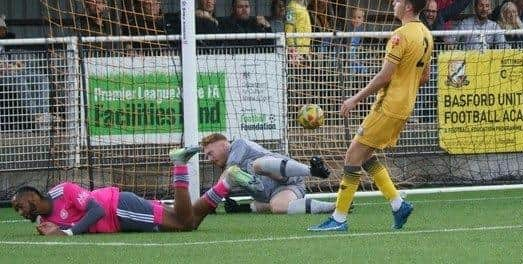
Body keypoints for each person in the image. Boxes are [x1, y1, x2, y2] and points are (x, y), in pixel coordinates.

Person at [309, 0, 433, 232]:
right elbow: (425, 77)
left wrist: (354, 98)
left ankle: (339, 219)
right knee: (365, 156)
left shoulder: (400, 35)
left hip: (389, 106)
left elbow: (385, 76)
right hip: (405, 106)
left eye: (397, 0)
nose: (393, 3)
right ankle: (398, 204)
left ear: (408, 7)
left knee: (352, 155)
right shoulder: (426, 34)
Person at [11, 147, 201, 235]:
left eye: (20, 206)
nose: (21, 212)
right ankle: (221, 187)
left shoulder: (63, 190)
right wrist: (55, 231)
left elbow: (97, 210)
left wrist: (67, 233)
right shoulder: (45, 221)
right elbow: (69, 224)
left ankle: (179, 165)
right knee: (189, 221)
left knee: (182, 224)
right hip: (121, 214)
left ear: (31, 197)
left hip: (118, 208)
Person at [185, 133, 334, 224]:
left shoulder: (238, 145)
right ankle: (332, 206)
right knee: (278, 207)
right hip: (275, 194)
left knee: (256, 165)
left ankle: (311, 170)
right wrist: (240, 208)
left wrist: (207, 204)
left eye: (210, 153)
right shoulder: (228, 170)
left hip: (290, 180)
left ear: (224, 145)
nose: (209, 158)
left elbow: (226, 177)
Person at [285, 0, 312, 65]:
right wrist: (292, 49)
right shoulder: (291, 7)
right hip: (296, 52)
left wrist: (308, 49)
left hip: (305, 50)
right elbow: (288, 29)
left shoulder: (304, 7)